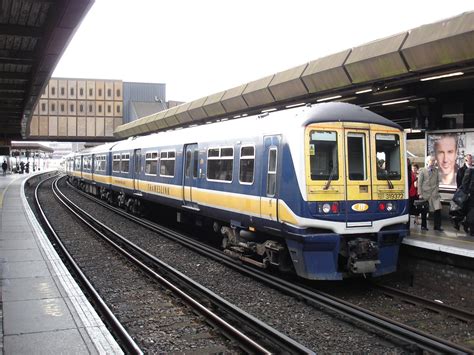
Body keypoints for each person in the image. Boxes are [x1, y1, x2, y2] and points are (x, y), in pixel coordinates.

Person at [417, 156, 443, 231]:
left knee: (438, 209)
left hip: (434, 194)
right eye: (432, 160)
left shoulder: (436, 170)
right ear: (428, 162)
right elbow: (419, 183)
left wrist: (437, 189)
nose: (434, 162)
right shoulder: (422, 171)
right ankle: (423, 226)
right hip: (425, 194)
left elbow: (438, 181)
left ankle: (437, 226)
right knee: (424, 211)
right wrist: (420, 193)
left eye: (434, 160)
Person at [461, 167, 474, 236]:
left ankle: (466, 223)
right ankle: (472, 230)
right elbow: (464, 183)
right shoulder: (470, 171)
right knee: (472, 213)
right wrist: (467, 193)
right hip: (471, 196)